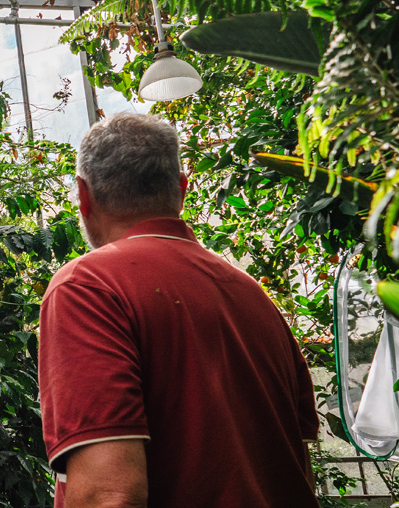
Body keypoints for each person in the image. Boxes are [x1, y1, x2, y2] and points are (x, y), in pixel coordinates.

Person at [38, 113, 319, 508]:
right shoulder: (253, 296)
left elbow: (109, 495)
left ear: (83, 195)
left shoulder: (88, 287)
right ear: (182, 189)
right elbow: (294, 467)